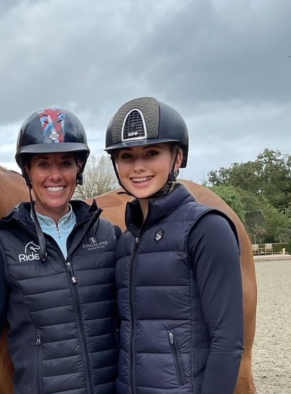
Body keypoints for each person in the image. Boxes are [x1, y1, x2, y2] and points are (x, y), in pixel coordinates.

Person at [0, 108, 121, 394]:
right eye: (43, 164)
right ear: (28, 171)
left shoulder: (108, 235)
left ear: (78, 169)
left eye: (65, 163)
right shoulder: (3, 247)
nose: (55, 175)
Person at [103, 97, 244, 394]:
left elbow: (228, 340)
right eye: (127, 156)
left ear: (177, 158)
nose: (138, 167)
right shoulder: (126, 242)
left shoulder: (207, 228)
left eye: (152, 153)